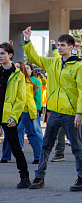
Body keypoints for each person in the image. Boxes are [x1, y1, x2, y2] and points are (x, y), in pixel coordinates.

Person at [22, 27, 82, 191]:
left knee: (76, 147)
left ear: (71, 47)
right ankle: (39, 177)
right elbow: (34, 58)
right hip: (54, 111)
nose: (59, 48)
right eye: (58, 45)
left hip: (70, 113)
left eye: (62, 45)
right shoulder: (53, 62)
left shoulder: (78, 66)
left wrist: (80, 113)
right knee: (46, 145)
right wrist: (27, 40)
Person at [0, 42, 30, 188]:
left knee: (15, 147)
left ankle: (25, 177)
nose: (0, 56)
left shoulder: (18, 75)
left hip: (8, 115)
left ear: (10, 55)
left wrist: (14, 116)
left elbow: (21, 98)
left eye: (2, 53)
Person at [2, 61, 41, 164]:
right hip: (12, 110)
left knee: (31, 133)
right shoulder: (11, 79)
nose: (16, 69)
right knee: (8, 134)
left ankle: (38, 156)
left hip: (26, 111)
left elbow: (31, 97)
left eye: (19, 67)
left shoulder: (29, 81)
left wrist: (36, 109)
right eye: (15, 67)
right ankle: (5, 156)